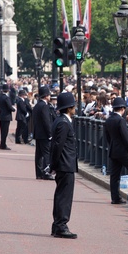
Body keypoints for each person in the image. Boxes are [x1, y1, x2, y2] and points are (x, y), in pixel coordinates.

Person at [50, 92, 78, 239]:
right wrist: (54, 164)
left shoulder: (60, 120)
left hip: (63, 164)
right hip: (65, 164)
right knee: (64, 197)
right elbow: (58, 146)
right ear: (69, 108)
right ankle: (61, 225)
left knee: (61, 195)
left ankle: (57, 225)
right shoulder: (63, 122)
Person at [33, 86, 54, 180]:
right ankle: (46, 172)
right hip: (44, 134)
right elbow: (46, 121)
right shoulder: (44, 106)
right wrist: (50, 134)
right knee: (47, 154)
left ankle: (39, 173)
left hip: (38, 133)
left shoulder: (37, 105)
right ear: (46, 96)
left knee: (39, 155)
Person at [0, 83, 16, 150]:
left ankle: (2, 144)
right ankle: (3, 144)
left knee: (2, 131)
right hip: (6, 116)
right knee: (5, 131)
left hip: (1, 115)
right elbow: (9, 107)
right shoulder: (6, 98)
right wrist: (14, 109)